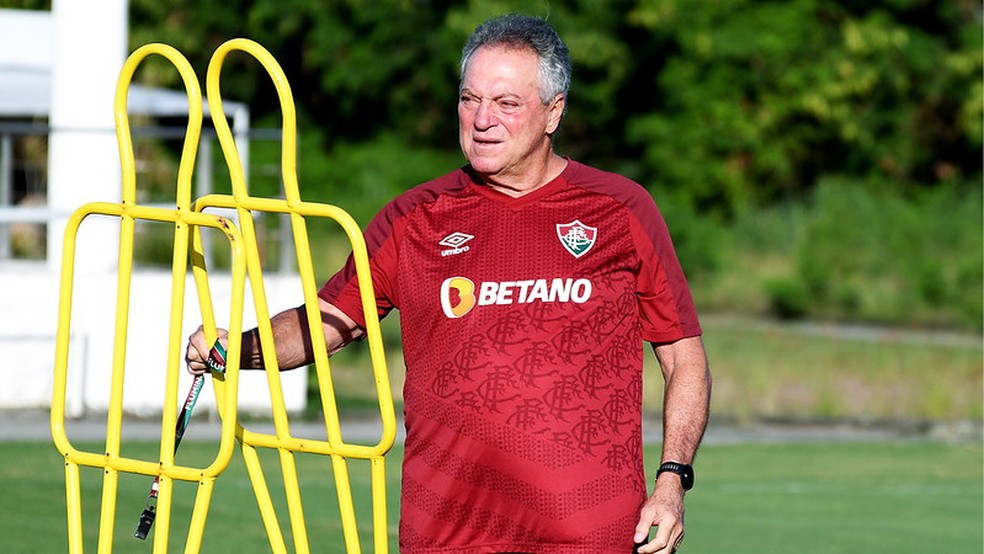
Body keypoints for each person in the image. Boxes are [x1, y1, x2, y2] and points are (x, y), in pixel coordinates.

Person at [186, 13, 710, 554]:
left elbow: (683, 356)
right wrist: (235, 349)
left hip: (587, 535)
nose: (482, 119)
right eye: (470, 99)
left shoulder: (619, 209)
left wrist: (672, 482)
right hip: (447, 536)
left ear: (553, 113)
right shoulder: (415, 217)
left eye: (507, 103)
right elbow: (330, 323)